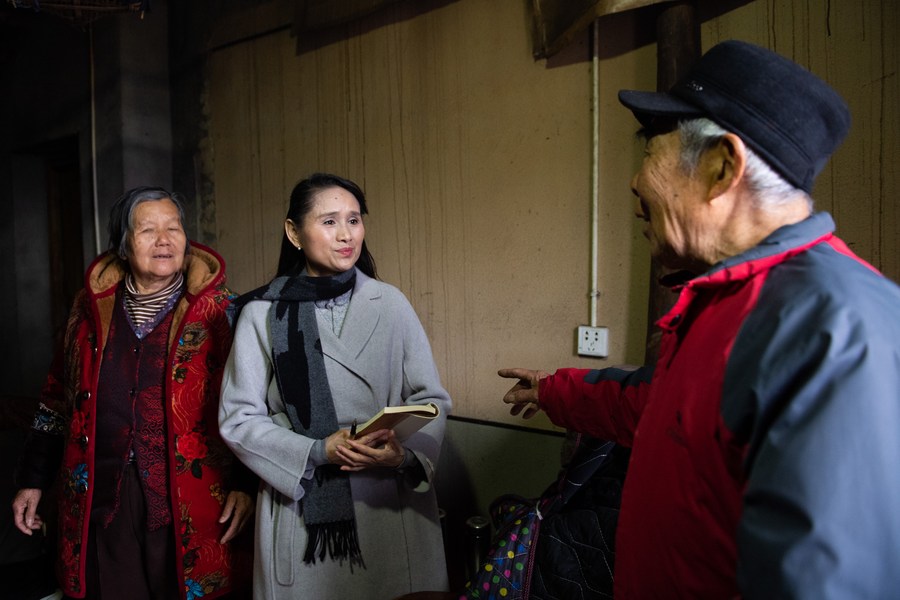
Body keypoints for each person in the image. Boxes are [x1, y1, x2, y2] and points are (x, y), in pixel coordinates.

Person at [499, 39, 900, 598]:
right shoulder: (731, 300)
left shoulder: (832, 326)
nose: (635, 182)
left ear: (721, 168)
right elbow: (659, 409)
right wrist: (553, 390)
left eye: (650, 151)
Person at [12, 186, 255, 600]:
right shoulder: (88, 311)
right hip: (103, 495)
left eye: (173, 228)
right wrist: (33, 480)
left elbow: (254, 405)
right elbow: (56, 400)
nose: (164, 240)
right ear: (123, 246)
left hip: (195, 496)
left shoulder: (223, 310)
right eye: (147, 230)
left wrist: (246, 485)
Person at [219, 173, 451, 599]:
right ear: (294, 233)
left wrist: (403, 456)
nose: (347, 235)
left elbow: (431, 398)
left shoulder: (391, 303)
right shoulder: (262, 314)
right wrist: (317, 451)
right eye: (329, 222)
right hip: (302, 500)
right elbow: (238, 419)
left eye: (354, 220)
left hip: (388, 500)